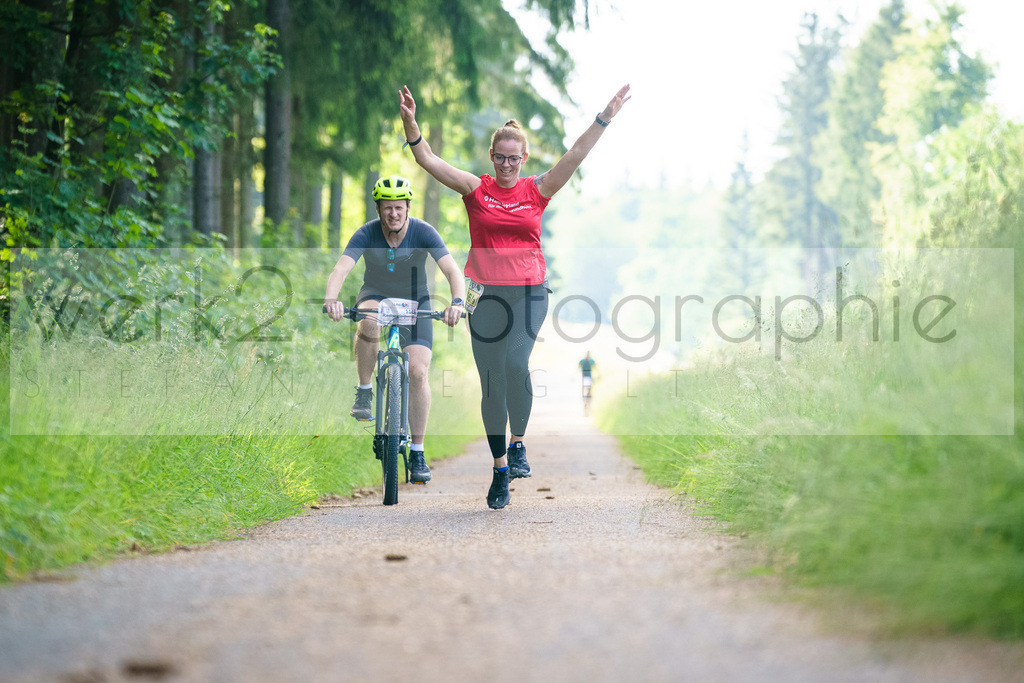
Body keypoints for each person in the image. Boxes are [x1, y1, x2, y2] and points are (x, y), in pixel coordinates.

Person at [399, 83, 630, 509]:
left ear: (523, 160)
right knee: (492, 384)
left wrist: (604, 118)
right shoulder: (475, 189)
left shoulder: (537, 190)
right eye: (500, 158)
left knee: (513, 362)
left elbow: (575, 155)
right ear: (492, 157)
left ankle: (519, 442)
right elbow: (427, 159)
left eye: (514, 159)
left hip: (529, 291)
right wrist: (412, 124)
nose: (506, 165)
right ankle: (501, 467)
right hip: (482, 293)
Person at [324, 174, 466, 484]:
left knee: (417, 372)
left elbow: (452, 269)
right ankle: (364, 392)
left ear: (408, 207)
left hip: (417, 303)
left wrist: (457, 302)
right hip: (376, 295)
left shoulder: (424, 232)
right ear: (378, 209)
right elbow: (341, 268)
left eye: (399, 208)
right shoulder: (366, 233)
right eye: (387, 208)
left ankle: (417, 451)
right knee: (370, 320)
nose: (394, 214)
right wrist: (331, 299)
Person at [578, 351, 596, 415]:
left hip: (584, 378)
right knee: (589, 392)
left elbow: (578, 368)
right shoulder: (591, 361)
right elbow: (595, 367)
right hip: (588, 378)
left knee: (584, 391)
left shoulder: (582, 361)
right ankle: (588, 403)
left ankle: (585, 402)